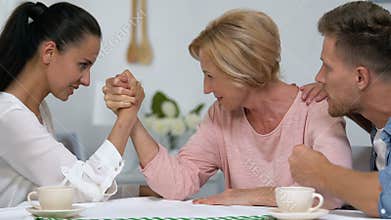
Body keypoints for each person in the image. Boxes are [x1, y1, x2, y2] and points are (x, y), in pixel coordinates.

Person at [103, 9, 352, 208]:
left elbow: (332, 192)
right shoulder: (220, 116)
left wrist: (245, 196)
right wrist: (131, 116)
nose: (206, 88)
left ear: (243, 70)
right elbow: (176, 184)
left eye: (210, 75)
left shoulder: (315, 107)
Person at [0, 2, 145, 207]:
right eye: (83, 65)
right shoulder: (9, 115)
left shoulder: (39, 110)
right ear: (49, 52)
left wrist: (138, 192)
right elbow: (82, 189)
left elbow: (62, 191)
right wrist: (127, 115)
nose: (86, 80)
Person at [288, 1, 391, 217]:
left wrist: (320, 172)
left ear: (360, 77)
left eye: (328, 67)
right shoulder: (380, 124)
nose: (319, 77)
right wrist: (343, 101)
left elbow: (386, 198)